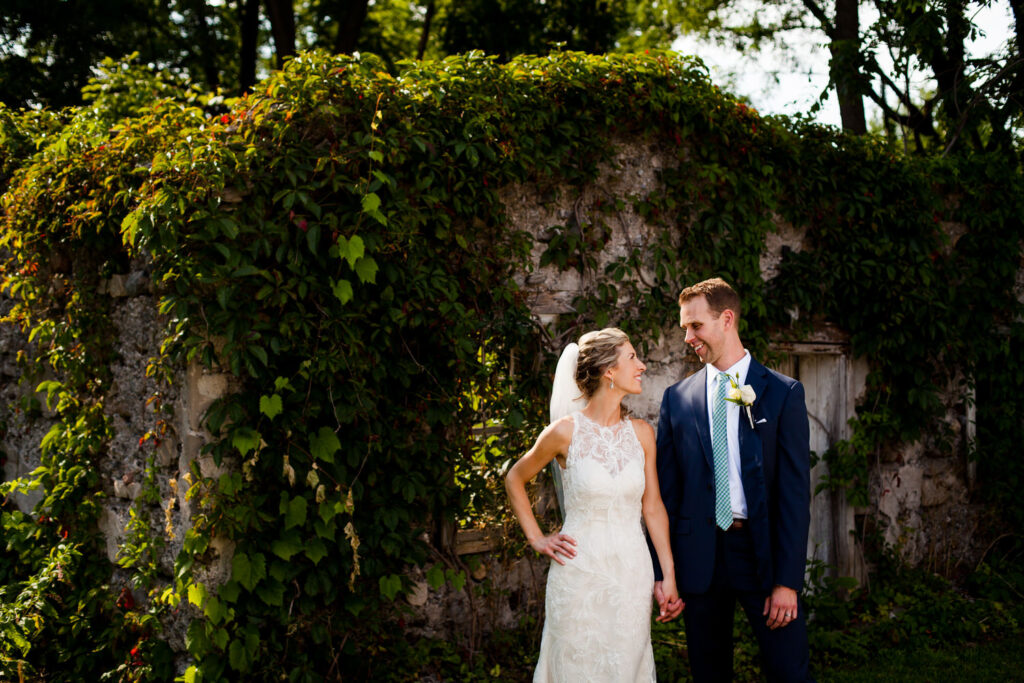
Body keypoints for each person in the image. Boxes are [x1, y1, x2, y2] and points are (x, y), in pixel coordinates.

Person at [651, 278, 814, 682]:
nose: (688, 337)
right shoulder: (677, 399)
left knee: (789, 671)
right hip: (699, 558)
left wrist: (787, 581)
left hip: (761, 555)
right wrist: (664, 572)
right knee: (709, 674)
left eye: (695, 326)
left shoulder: (782, 393)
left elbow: (794, 494)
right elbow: (663, 496)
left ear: (726, 319)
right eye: (684, 328)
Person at [505, 328, 682, 682]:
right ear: (608, 371)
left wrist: (668, 575)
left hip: (632, 576)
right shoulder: (563, 432)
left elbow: (653, 508)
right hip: (578, 575)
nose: (642, 365)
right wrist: (536, 538)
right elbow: (514, 478)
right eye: (632, 357)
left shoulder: (643, 434)